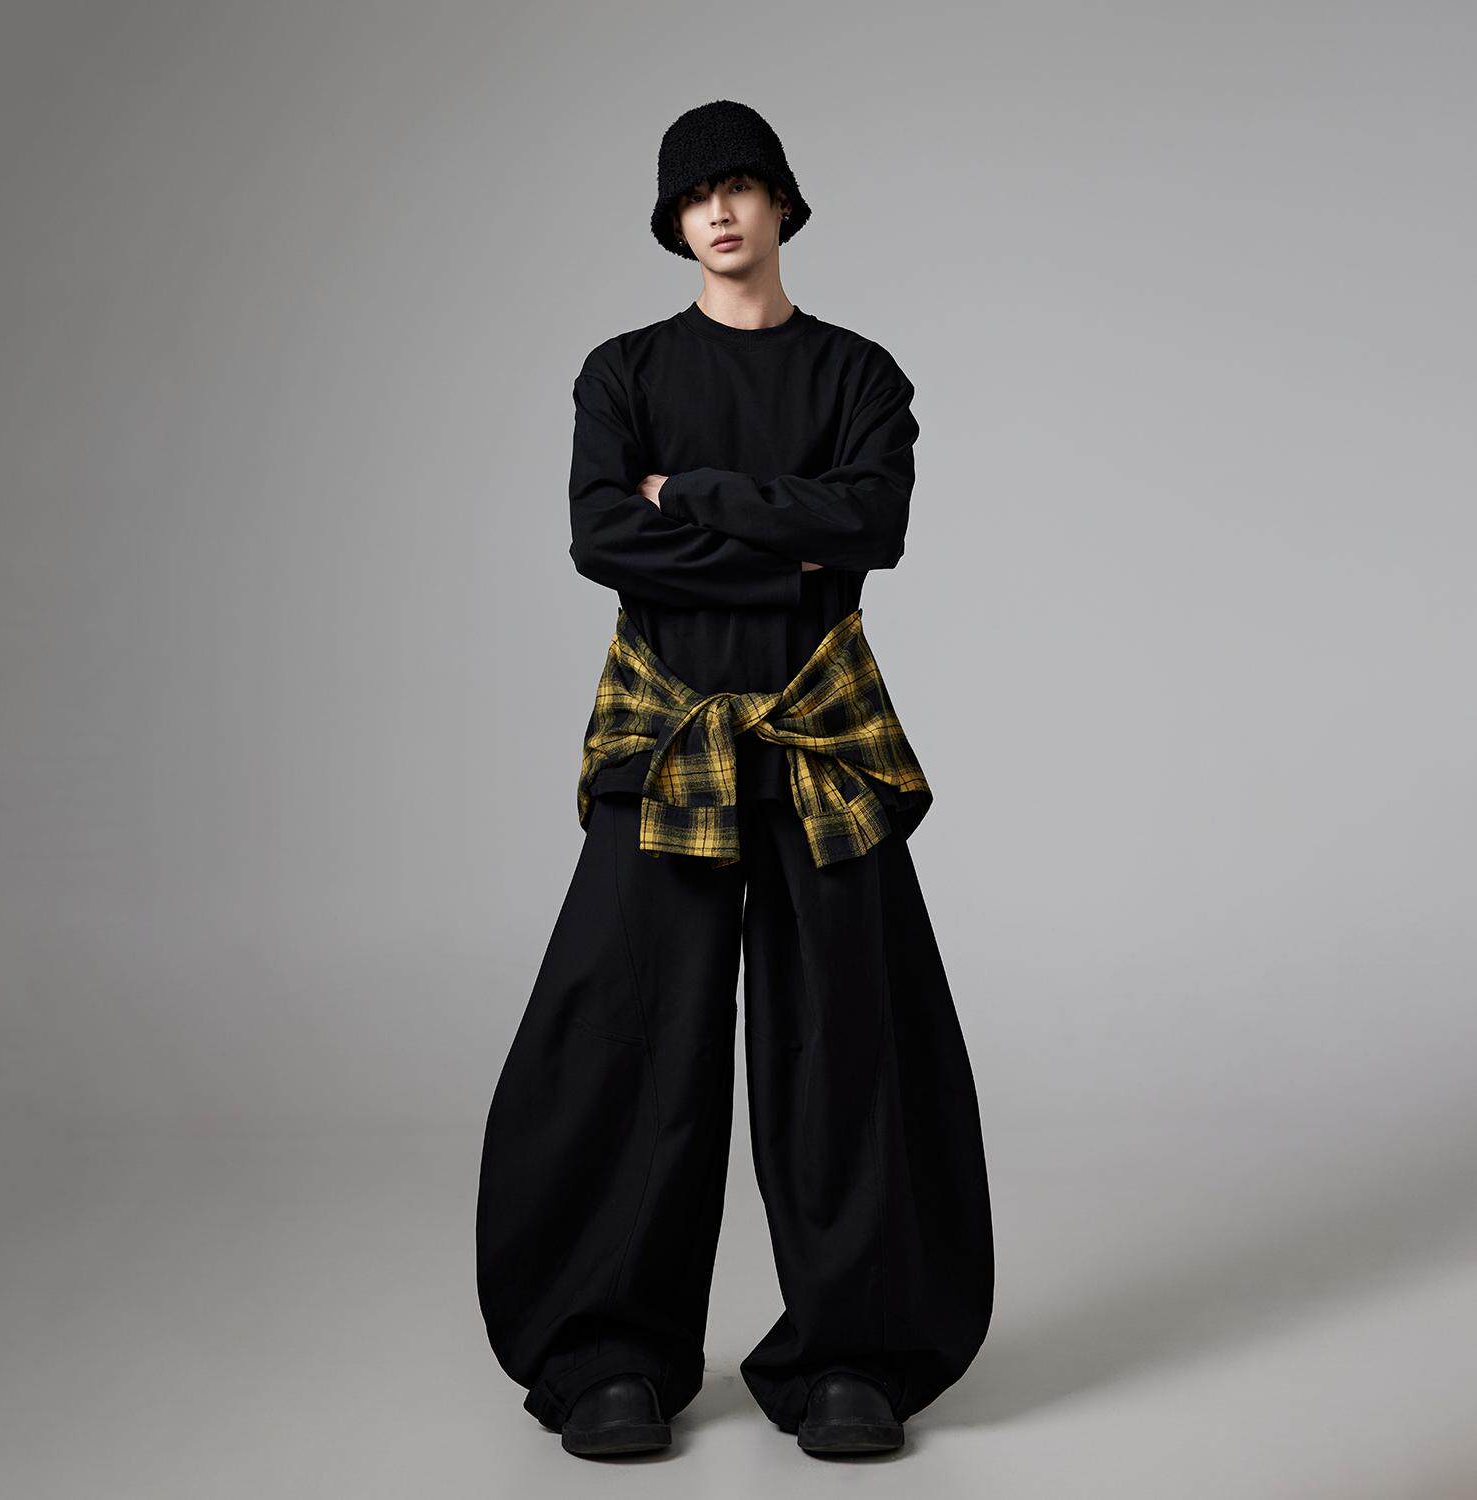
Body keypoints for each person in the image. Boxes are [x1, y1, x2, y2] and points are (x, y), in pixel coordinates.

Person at [475, 98, 994, 1461]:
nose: (718, 210)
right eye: (694, 194)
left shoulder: (860, 375)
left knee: (850, 1041)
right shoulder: (623, 371)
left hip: (819, 735)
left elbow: (872, 522)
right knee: (630, 1036)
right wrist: (787, 544)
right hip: (670, 736)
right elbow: (603, 540)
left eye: (741, 186)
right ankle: (609, 1352)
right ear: (673, 220)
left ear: (781, 206)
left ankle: (854, 1355)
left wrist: (688, 496)